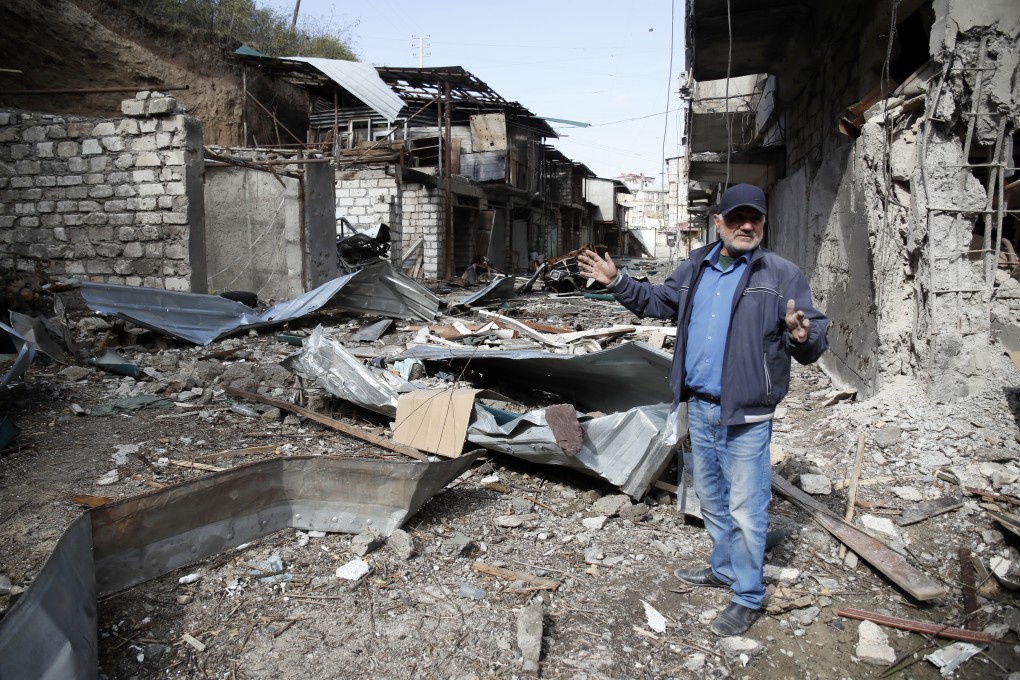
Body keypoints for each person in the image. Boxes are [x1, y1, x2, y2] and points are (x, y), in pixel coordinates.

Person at [577, 183, 829, 636]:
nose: (746, 226)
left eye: (754, 218)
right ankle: (723, 567)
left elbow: (812, 341)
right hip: (699, 407)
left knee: (747, 509)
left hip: (747, 413)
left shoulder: (781, 274)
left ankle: (748, 595)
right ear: (719, 223)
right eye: (736, 218)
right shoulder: (697, 264)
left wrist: (802, 334)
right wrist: (617, 281)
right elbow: (659, 302)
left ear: (764, 223)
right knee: (710, 498)